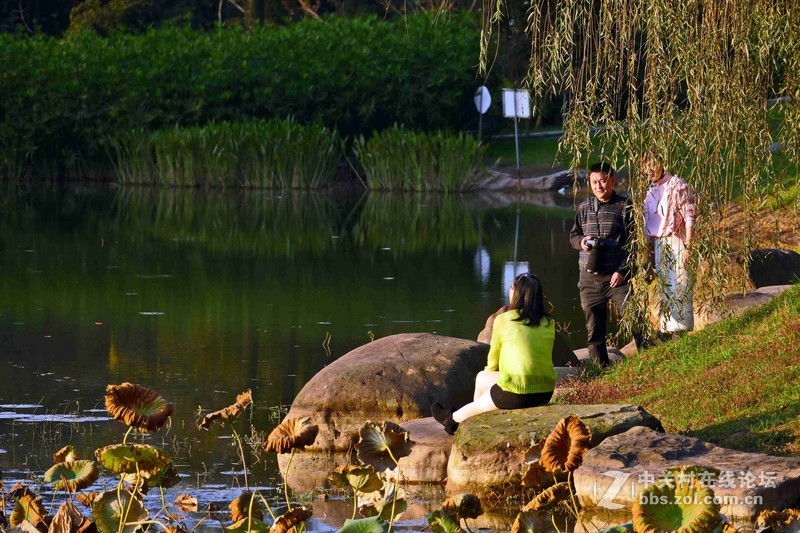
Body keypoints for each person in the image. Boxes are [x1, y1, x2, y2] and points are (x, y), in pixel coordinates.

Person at [432, 272, 556, 435]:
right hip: (545, 392)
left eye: (512, 287)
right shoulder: (549, 322)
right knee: (484, 379)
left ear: (516, 292)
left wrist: (492, 384)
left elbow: (493, 359)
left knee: (483, 387)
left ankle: (451, 419)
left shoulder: (505, 319)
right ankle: (475, 418)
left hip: (517, 392)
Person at [569, 162, 633, 367]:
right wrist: (582, 242)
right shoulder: (584, 207)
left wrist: (623, 271)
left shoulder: (625, 205)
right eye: (594, 182)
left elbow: (635, 244)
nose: (599, 186)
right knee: (594, 330)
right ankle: (601, 369)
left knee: (635, 320)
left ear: (612, 180)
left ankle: (649, 360)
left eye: (603, 181)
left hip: (617, 278)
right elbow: (573, 236)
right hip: (589, 279)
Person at [643, 154, 696, 332]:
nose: (649, 170)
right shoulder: (650, 190)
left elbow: (689, 215)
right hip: (659, 244)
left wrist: (688, 246)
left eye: (653, 165)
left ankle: (681, 329)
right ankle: (669, 330)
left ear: (662, 164)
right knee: (665, 287)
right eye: (645, 166)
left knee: (679, 285)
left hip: (676, 241)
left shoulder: (677, 184)